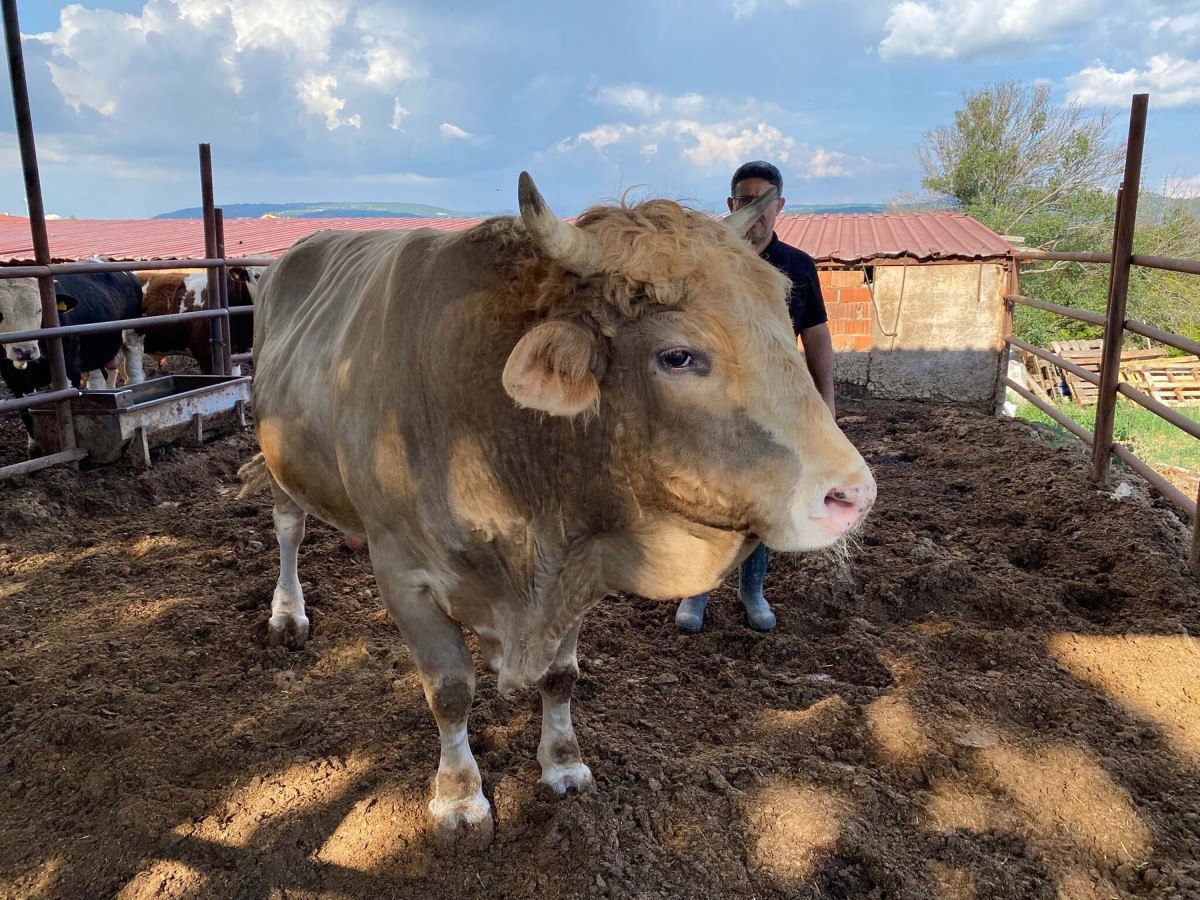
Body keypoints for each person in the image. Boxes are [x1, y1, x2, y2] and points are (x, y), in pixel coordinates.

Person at [675, 160, 836, 634]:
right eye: (746, 200)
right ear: (731, 204)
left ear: (779, 205)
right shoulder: (706, 265)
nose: (755, 210)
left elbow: (817, 337)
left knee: (768, 493)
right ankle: (696, 588)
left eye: (765, 201)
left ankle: (753, 590)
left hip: (775, 410)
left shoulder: (799, 268)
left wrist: (826, 401)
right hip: (715, 406)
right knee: (706, 495)